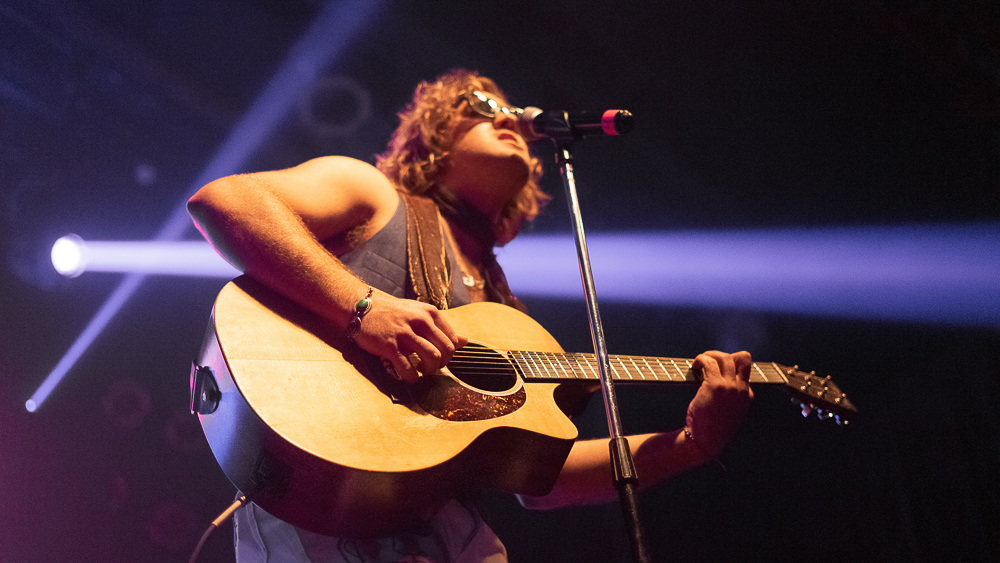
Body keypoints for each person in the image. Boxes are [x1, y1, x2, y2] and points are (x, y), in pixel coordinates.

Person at [188, 69, 753, 563]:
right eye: (481, 106)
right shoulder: (372, 193)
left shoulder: (505, 313)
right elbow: (226, 203)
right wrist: (364, 307)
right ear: (433, 135)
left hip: (447, 534)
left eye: (512, 112)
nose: (509, 118)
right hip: (324, 504)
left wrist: (691, 444)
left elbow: (543, 480)